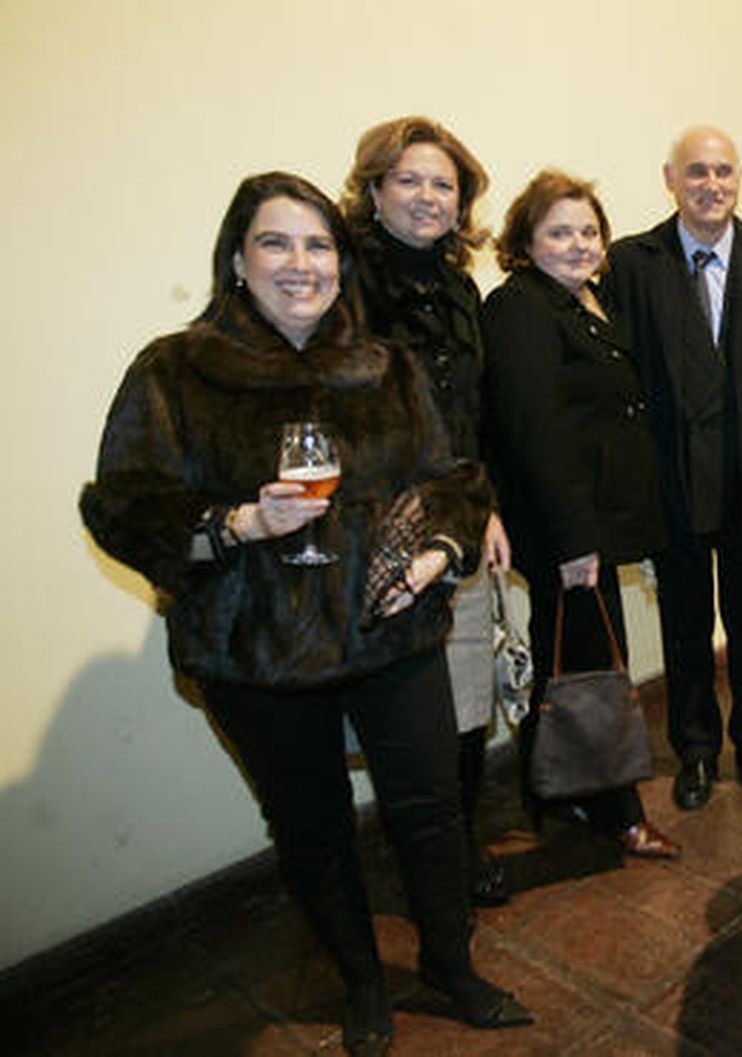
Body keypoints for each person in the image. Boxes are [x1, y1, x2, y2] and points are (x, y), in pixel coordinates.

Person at [79, 173, 531, 1057]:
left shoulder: (385, 365)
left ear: (341, 261)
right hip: (255, 654)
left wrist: (440, 551)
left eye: (318, 244)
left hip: (388, 630)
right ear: (238, 261)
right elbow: (121, 503)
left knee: (433, 808)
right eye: (276, 243)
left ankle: (450, 963)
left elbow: (454, 479)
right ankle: (364, 982)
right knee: (314, 827)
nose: (301, 263)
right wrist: (234, 525)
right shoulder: (175, 370)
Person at [480, 169, 680, 860]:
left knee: (570, 664)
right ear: (525, 241)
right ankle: (621, 811)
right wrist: (573, 541)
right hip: (567, 527)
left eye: (588, 230)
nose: (578, 244)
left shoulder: (588, 300)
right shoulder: (520, 308)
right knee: (597, 665)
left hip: (599, 518)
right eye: (559, 232)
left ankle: (553, 787)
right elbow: (534, 433)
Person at [607, 126, 742, 809]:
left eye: (723, 171)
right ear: (670, 179)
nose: (711, 184)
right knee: (686, 626)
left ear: (739, 177)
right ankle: (694, 748)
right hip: (673, 484)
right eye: (697, 172)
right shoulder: (631, 263)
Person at [340, 116, 510, 907]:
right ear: (373, 189)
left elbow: (472, 416)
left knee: (467, 705)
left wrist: (488, 511)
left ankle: (457, 849)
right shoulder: (343, 282)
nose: (427, 196)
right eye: (408, 179)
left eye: (443, 183)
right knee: (403, 713)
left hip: (460, 520)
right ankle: (417, 862)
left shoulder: (459, 284)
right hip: (380, 530)